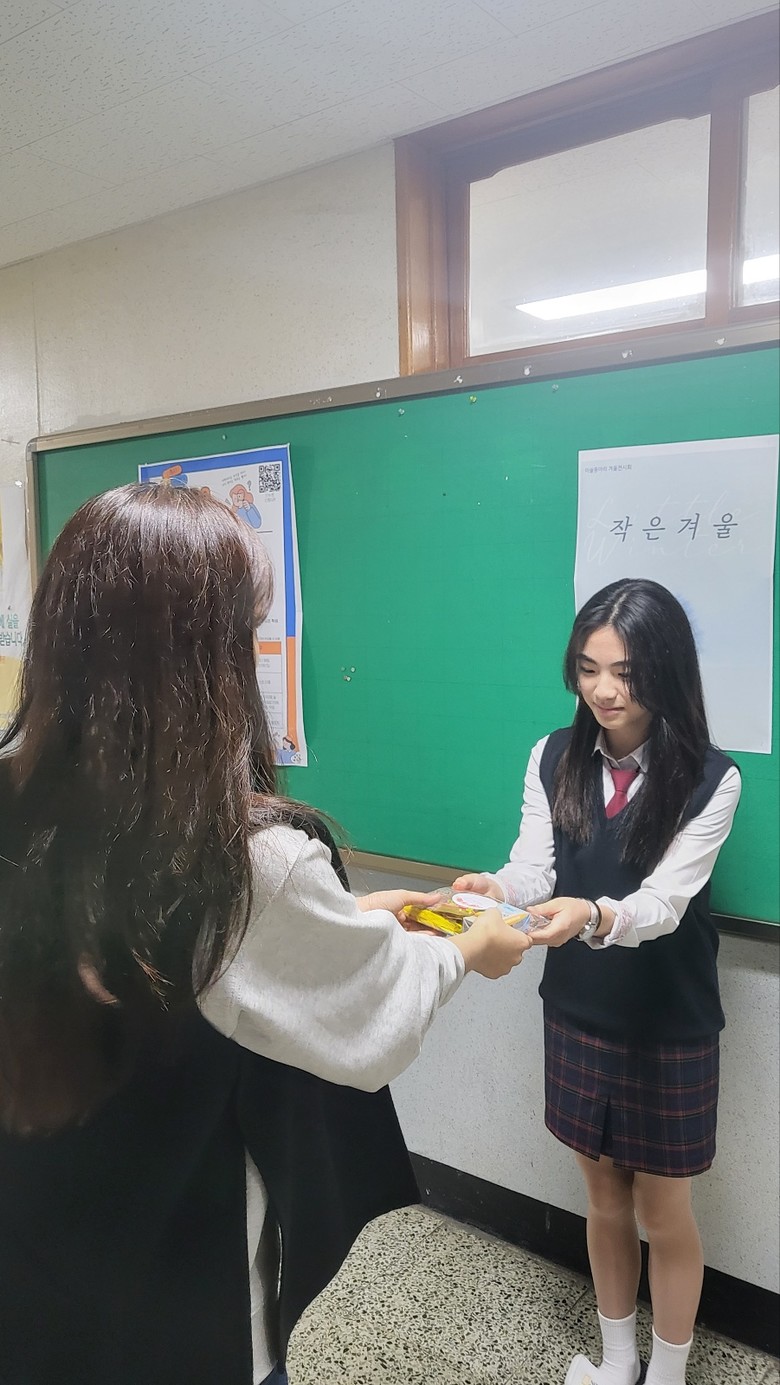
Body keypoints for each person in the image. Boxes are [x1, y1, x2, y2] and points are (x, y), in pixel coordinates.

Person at [0, 484, 531, 1385]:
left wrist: (357, 915)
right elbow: (369, 1021)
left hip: (30, 1261)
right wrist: (464, 950)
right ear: (206, 657)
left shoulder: (16, 791)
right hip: (176, 1305)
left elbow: (152, 955)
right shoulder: (243, 857)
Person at [453, 579, 741, 1385]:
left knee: (664, 1210)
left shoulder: (711, 777)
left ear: (665, 669)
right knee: (604, 1197)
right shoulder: (553, 754)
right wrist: (495, 888)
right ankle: (617, 1362)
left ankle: (668, 1375)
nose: (604, 690)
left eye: (626, 671)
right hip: (578, 1006)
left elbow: (664, 904)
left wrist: (593, 915)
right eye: (588, 668)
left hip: (668, 1019)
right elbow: (534, 866)